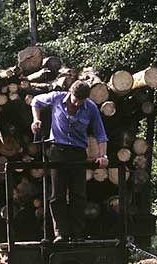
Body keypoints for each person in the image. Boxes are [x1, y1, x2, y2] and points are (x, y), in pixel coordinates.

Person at [31, 81, 108, 242]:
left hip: (78, 153)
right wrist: (36, 120)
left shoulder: (91, 108)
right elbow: (35, 102)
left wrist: (103, 155)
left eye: (81, 101)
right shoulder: (57, 98)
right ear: (70, 93)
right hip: (58, 151)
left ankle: (78, 234)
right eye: (75, 99)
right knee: (57, 195)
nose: (77, 103)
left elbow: (100, 134)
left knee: (78, 194)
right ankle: (61, 234)